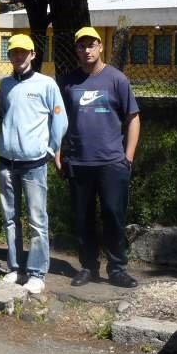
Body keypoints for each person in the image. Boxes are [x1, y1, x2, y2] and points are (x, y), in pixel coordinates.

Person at [57, 27, 141, 289]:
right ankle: (88, 267)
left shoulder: (117, 79)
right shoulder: (68, 82)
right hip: (78, 162)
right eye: (81, 46)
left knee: (113, 215)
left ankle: (117, 269)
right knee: (83, 219)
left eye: (91, 45)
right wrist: (58, 154)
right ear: (76, 49)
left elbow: (133, 118)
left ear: (101, 46)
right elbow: (57, 121)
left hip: (112, 162)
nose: (87, 50)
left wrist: (128, 157)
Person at [0, 34, 67, 295]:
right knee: (10, 217)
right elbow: (7, 115)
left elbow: (60, 119)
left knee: (37, 220)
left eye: (23, 52)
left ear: (33, 55)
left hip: (34, 164)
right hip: (6, 162)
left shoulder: (46, 84)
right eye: (14, 52)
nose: (18, 56)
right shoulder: (5, 85)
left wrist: (50, 149)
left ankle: (37, 273)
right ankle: (15, 267)